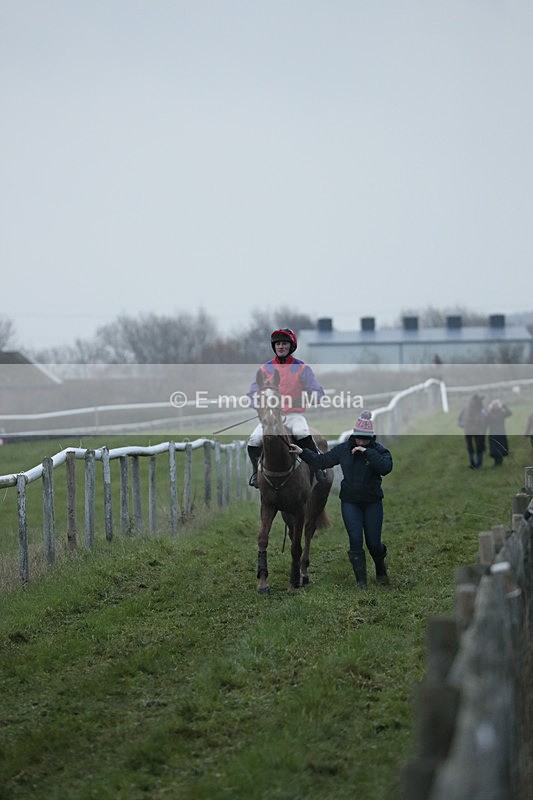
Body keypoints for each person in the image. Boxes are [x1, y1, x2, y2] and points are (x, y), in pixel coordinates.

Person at [289, 410, 393, 588]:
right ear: (354, 435)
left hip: (372, 502)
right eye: (359, 438)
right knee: (355, 541)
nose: (361, 442)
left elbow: (385, 467)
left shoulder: (379, 451)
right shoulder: (344, 450)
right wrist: (302, 452)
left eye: (365, 439)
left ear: (371, 438)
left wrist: (367, 452)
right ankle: (362, 583)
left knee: (374, 543)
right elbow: (322, 461)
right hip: (350, 502)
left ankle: (380, 567)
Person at [246, 328, 326, 488]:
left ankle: (316, 468)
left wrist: (311, 398)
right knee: (253, 441)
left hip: (294, 415)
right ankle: (256, 473)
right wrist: (260, 407)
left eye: (284, 343)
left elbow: (318, 392)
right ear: (274, 347)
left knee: (302, 433)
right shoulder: (264, 369)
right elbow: (251, 394)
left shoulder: (302, 368)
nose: (281, 347)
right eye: (278, 344)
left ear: (291, 346)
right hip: (271, 417)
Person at [458, 393, 487, 469]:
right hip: (476, 430)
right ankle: (478, 463)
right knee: (477, 446)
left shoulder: (467, 409)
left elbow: (460, 421)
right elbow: (484, 420)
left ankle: (474, 463)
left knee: (471, 447)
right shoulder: (480, 409)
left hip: (470, 431)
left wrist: (463, 425)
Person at [486, 399, 512, 467]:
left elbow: (509, 413)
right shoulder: (489, 415)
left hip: (499, 433)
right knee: (495, 448)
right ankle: (496, 462)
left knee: (499, 448)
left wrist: (504, 406)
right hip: (494, 433)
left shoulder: (501, 414)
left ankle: (499, 462)